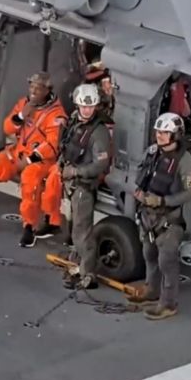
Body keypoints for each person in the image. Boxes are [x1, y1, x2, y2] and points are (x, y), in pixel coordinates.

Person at [0, 72, 67, 247]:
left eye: (38, 88)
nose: (33, 91)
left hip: (41, 160)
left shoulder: (56, 114)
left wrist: (29, 160)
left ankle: (29, 227)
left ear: (47, 90)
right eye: (31, 86)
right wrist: (21, 116)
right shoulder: (24, 104)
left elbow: (52, 145)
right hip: (18, 152)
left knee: (30, 180)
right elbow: (7, 127)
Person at [131, 112, 191, 320]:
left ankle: (168, 303)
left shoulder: (185, 162)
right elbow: (141, 173)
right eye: (158, 132)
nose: (159, 136)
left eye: (165, 133)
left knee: (166, 262)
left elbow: (190, 191)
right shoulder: (153, 152)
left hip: (168, 220)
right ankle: (152, 289)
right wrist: (141, 194)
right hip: (147, 216)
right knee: (149, 254)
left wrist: (163, 202)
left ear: (176, 135)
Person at [58, 84, 112, 290]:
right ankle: (76, 264)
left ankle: (88, 273)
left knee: (82, 231)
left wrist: (76, 172)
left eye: (90, 107)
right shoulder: (75, 120)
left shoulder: (99, 133)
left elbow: (100, 164)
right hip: (71, 183)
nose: (87, 110)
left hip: (83, 185)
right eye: (84, 106)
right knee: (74, 227)